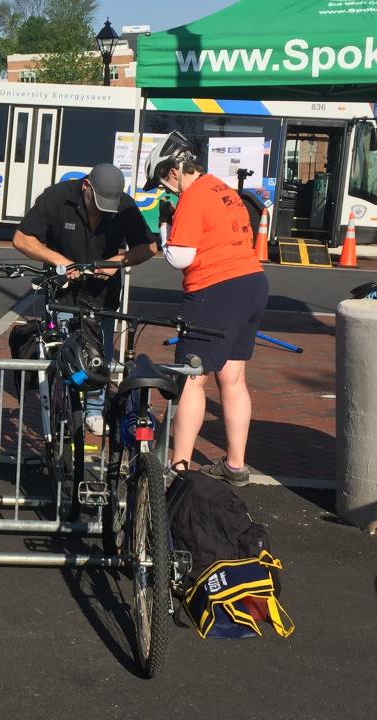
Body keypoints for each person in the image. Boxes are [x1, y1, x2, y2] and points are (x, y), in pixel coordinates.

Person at [143, 130, 269, 487]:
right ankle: (235, 465)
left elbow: (181, 255)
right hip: (253, 282)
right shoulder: (223, 189)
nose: (166, 191)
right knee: (232, 378)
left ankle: (178, 467)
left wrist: (165, 229)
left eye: (163, 183)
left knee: (191, 379)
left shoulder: (192, 197)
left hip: (215, 289)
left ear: (172, 170)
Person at [12, 163, 159, 435]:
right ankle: (63, 405)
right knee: (65, 350)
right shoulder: (57, 197)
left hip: (102, 296)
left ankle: (94, 409)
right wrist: (61, 262)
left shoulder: (123, 206)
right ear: (86, 187)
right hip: (63, 292)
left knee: (98, 354)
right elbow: (22, 239)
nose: (103, 211)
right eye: (99, 203)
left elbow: (148, 246)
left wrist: (117, 262)